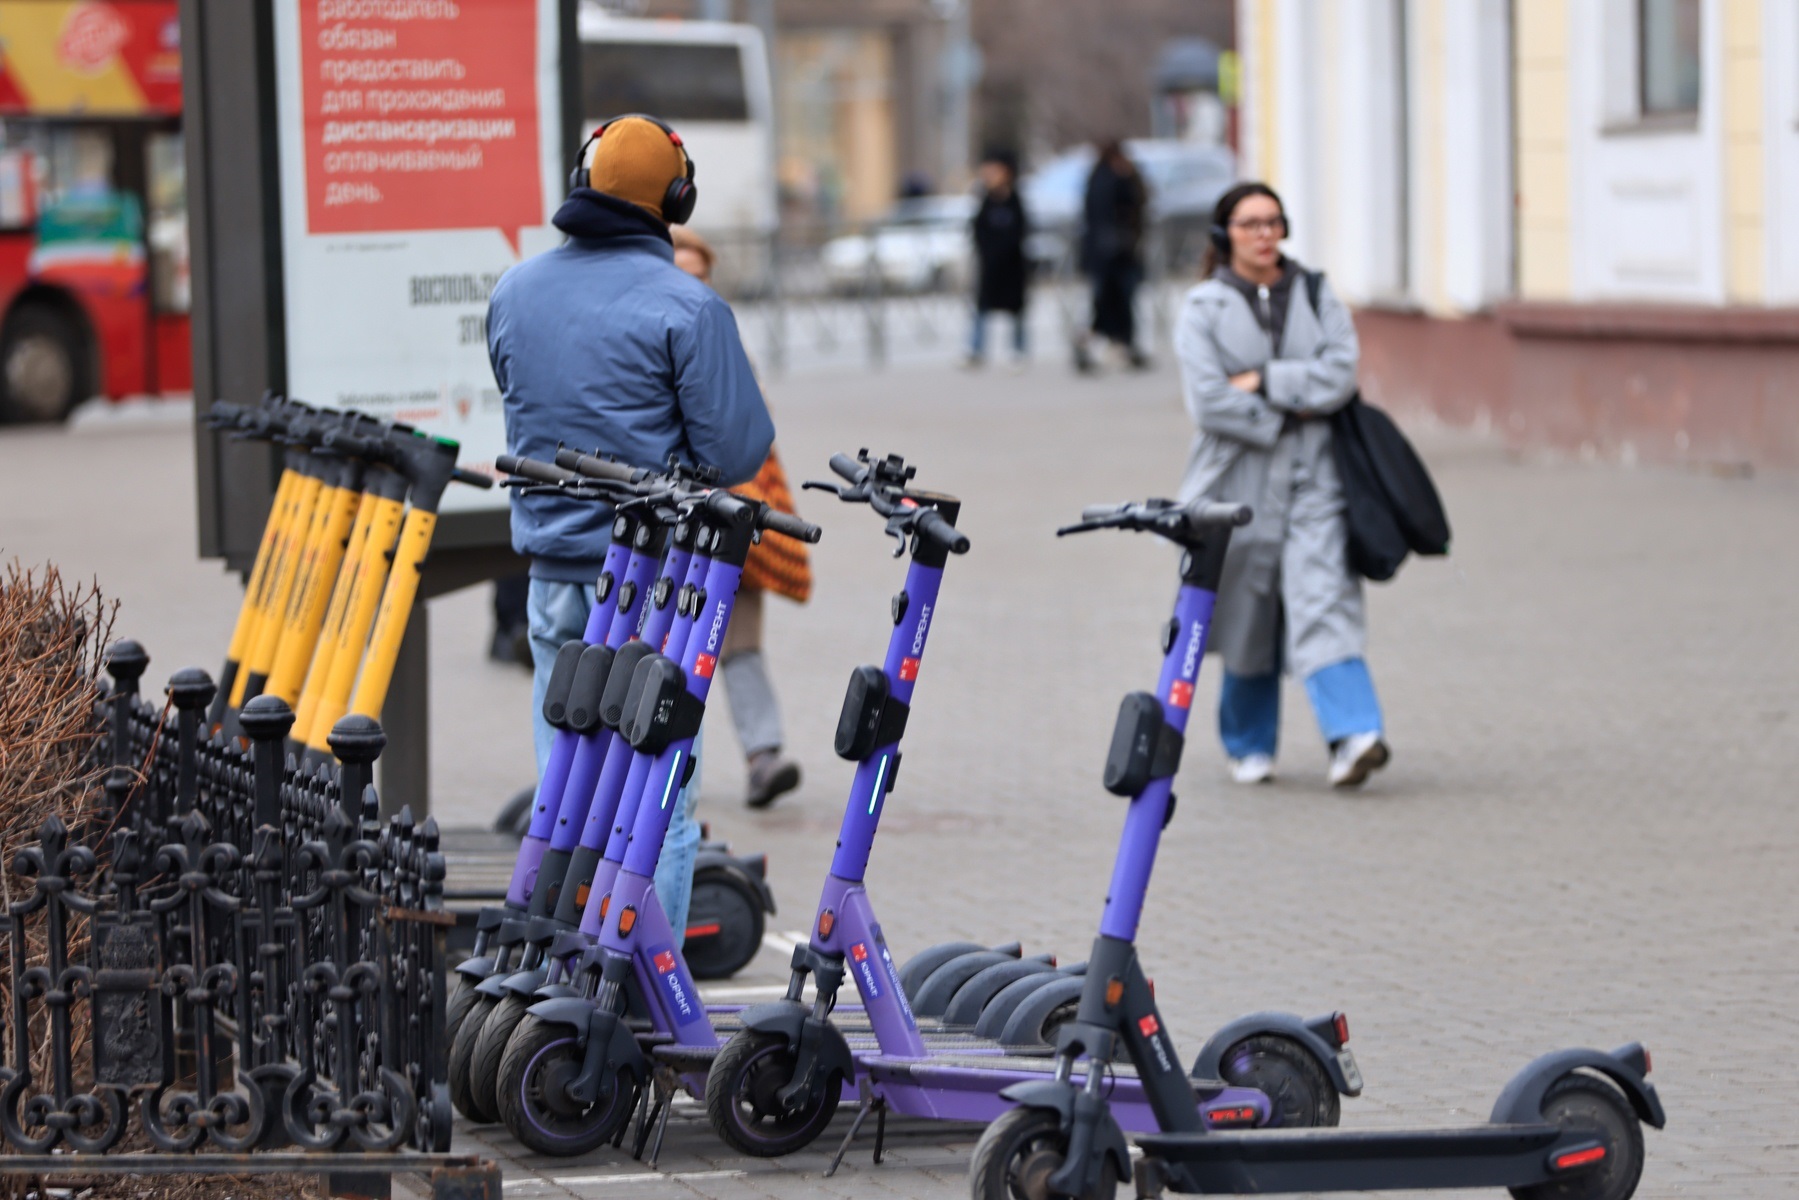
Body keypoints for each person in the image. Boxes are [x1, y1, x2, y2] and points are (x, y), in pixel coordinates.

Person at [487, 114, 776, 939]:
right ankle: (643, 999)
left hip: (551, 579)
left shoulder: (515, 290)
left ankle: (555, 971)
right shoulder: (687, 306)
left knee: (562, 787)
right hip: (656, 590)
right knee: (657, 806)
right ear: (676, 198)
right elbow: (737, 449)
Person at [1173, 181, 1390, 789]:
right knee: (1247, 609)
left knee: (1323, 598)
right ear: (1225, 235)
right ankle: (1248, 742)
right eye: (1251, 224)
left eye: (1274, 222)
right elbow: (1209, 401)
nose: (1265, 234)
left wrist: (1263, 379)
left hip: (1316, 475)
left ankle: (1354, 735)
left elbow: (1339, 377)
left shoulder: (1317, 293)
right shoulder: (1202, 307)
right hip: (1234, 481)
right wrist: (1290, 405)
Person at [671, 225, 809, 808]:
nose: (695, 285)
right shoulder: (647, 331)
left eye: (702, 275)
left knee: (741, 643)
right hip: (667, 521)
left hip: (728, 515)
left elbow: (755, 419)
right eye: (683, 273)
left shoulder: (718, 332)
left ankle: (763, 757)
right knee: (667, 650)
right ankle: (670, 766)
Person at [1074, 140, 1149, 373]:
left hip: (1109, 254)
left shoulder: (1097, 179)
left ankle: (1115, 346)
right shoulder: (1113, 180)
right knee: (1111, 303)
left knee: (1110, 303)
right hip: (1114, 254)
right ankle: (1105, 344)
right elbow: (1134, 204)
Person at [964, 151, 1030, 370]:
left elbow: (1021, 230)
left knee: (1017, 310)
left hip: (1012, 264)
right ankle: (976, 349)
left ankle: (1018, 350)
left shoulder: (1015, 200)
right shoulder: (985, 200)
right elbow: (977, 231)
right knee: (982, 308)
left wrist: (1005, 249)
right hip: (990, 264)